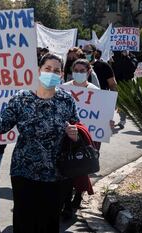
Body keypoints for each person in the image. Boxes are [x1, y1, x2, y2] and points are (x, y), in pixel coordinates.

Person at [0, 53, 80, 232]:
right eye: (47, 69)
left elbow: (78, 128)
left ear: (62, 75)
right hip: (23, 172)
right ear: (39, 71)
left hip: (55, 175)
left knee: (48, 224)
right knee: (25, 222)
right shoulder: (21, 98)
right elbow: (1, 127)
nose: (52, 73)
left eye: (56, 70)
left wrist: (75, 133)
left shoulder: (66, 100)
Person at [61, 59, 98, 219]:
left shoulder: (96, 91)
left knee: (83, 167)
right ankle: (67, 204)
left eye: (82, 70)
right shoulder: (63, 89)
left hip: (89, 137)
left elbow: (102, 115)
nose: (79, 73)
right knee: (68, 169)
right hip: (68, 137)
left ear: (89, 72)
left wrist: (109, 122)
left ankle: (78, 195)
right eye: (76, 70)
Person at [111, 50, 138, 129]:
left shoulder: (132, 57)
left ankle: (122, 120)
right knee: (113, 102)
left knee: (122, 103)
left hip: (126, 84)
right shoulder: (115, 55)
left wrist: (127, 56)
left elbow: (133, 68)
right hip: (115, 82)